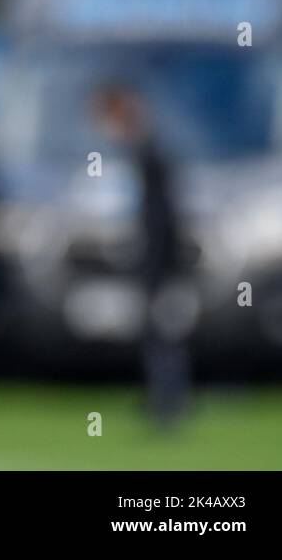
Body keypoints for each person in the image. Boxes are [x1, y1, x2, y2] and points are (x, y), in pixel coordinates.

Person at [91, 80, 192, 428]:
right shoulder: (144, 154)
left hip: (158, 263)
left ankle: (168, 402)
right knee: (157, 332)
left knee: (161, 333)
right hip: (157, 261)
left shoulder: (149, 155)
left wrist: (157, 262)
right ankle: (162, 399)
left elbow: (162, 219)